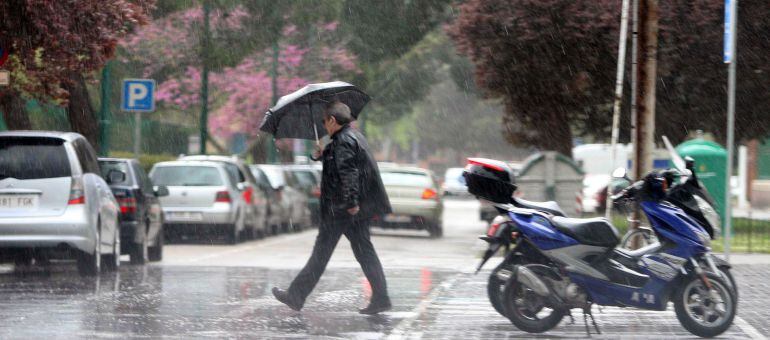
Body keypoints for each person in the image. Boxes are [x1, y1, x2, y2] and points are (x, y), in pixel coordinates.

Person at [272, 101, 393, 315]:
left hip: (341, 209)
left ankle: (295, 295)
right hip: (352, 208)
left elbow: (349, 173)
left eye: (324, 122)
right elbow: (343, 167)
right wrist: (321, 155)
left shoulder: (343, 141)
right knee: (364, 252)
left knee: (322, 253)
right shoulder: (351, 137)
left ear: (333, 121)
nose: (324, 126)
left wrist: (351, 202)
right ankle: (381, 298)